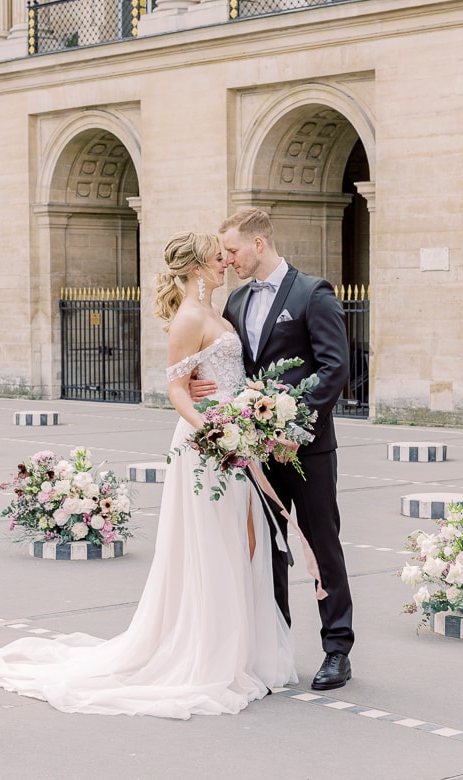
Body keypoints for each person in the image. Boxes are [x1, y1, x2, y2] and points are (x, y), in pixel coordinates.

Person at [0, 231, 295, 719]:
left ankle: (242, 649)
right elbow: (177, 391)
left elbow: (225, 378)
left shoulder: (218, 312)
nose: (225, 262)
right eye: (217, 257)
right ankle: (211, 653)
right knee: (213, 545)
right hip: (208, 446)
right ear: (198, 267)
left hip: (234, 439)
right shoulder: (188, 317)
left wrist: (245, 423)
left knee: (243, 540)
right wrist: (214, 433)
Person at [191, 208, 354, 691]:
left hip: (308, 448)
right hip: (257, 453)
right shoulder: (237, 301)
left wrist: (298, 426)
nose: (228, 260)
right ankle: (277, 647)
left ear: (258, 244)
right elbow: (230, 364)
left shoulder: (313, 293)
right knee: (267, 549)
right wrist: (200, 384)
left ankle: (337, 649)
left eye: (233, 251)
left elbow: (334, 367)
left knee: (322, 543)